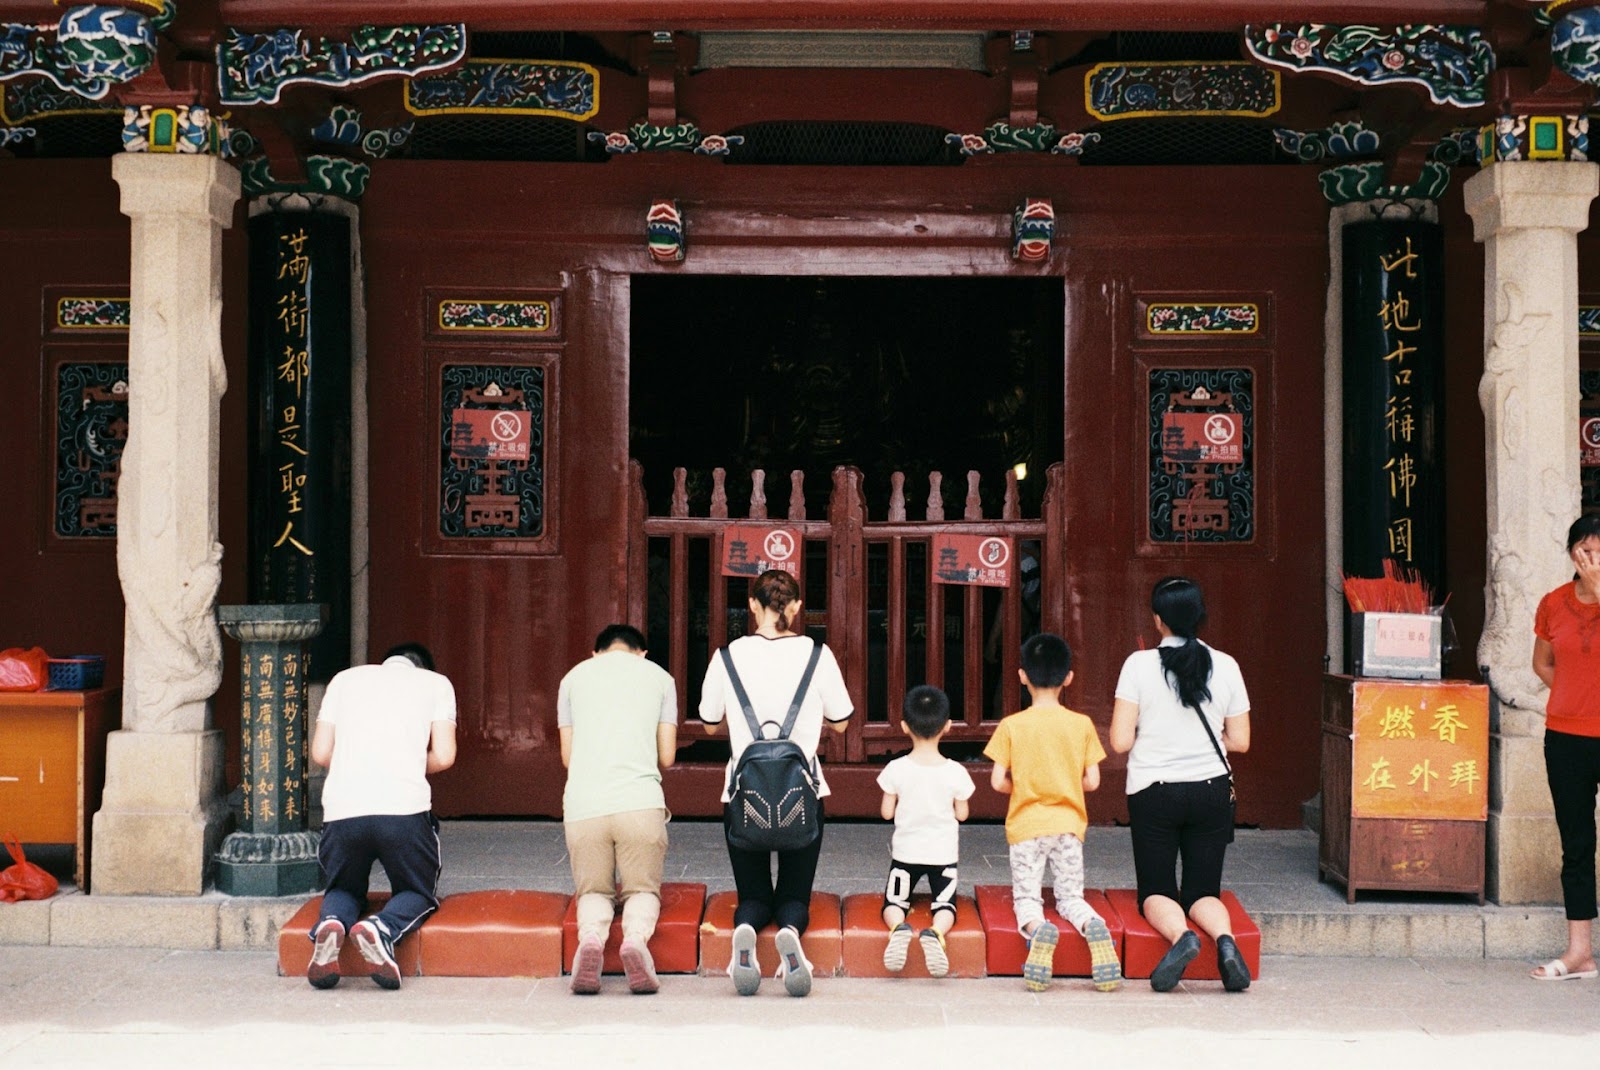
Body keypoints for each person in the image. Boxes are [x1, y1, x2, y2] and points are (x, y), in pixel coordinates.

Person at [698, 569, 853, 997]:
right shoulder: (817, 655)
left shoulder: (727, 656)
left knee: (752, 892)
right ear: (797, 607)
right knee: (794, 894)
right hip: (801, 793)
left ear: (751, 605)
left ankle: (746, 928)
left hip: (741, 794)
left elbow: (710, 724)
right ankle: (790, 933)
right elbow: (841, 722)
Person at [1110, 576, 1251, 993]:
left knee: (1156, 888)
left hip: (1155, 791)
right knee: (1202, 889)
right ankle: (1225, 941)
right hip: (1211, 790)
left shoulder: (1139, 665)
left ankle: (1181, 937)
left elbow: (1120, 741)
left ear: (1158, 621)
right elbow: (1240, 741)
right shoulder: (1226, 665)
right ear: (1200, 617)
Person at [306, 643, 458, 990]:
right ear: (422, 668)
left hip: (343, 811)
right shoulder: (436, 684)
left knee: (344, 888)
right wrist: (405, 766)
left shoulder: (343, 681)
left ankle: (332, 923)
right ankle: (382, 928)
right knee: (417, 892)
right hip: (402, 812)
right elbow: (445, 756)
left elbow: (320, 752)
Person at [983, 633, 1122, 993]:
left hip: (1027, 826)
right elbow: (1091, 781)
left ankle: (1037, 930)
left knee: (1028, 900)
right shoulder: (1081, 725)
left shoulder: (1012, 725)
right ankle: (1093, 925)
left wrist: (1028, 785)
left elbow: (998, 782)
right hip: (1069, 826)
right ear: (1069, 678)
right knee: (1071, 897)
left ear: (1021, 676)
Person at [559, 624, 678, 995]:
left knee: (594, 890)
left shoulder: (572, 678)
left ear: (596, 653)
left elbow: (568, 757)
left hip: (584, 805)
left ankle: (591, 940)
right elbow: (667, 757)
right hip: (639, 802)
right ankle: (635, 941)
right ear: (642, 652)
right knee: (642, 889)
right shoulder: (659, 677)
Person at [1529, 515, 1600, 981]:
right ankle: (1580, 952)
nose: (1590, 560)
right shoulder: (1553, 603)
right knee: (1577, 844)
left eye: (1598, 552)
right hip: (1567, 737)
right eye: (1584, 551)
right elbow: (1541, 663)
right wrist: (1573, 697)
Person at [877, 684, 975, 977]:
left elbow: (886, 813)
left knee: (893, 903)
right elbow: (963, 814)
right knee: (945, 905)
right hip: (942, 856)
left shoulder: (896, 768)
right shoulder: (956, 771)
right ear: (947, 727)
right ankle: (936, 932)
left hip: (906, 853)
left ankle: (898, 927)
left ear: (905, 727)